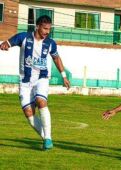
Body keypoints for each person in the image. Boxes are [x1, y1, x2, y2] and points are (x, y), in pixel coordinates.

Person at [0, 15, 70, 150]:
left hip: (42, 78)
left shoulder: (50, 43)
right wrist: (4, 45)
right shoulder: (24, 37)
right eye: (45, 28)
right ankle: (46, 138)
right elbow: (8, 43)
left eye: (49, 29)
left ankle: (48, 137)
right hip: (25, 81)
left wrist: (64, 76)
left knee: (41, 101)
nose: (47, 32)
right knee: (29, 114)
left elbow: (56, 58)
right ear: (37, 26)